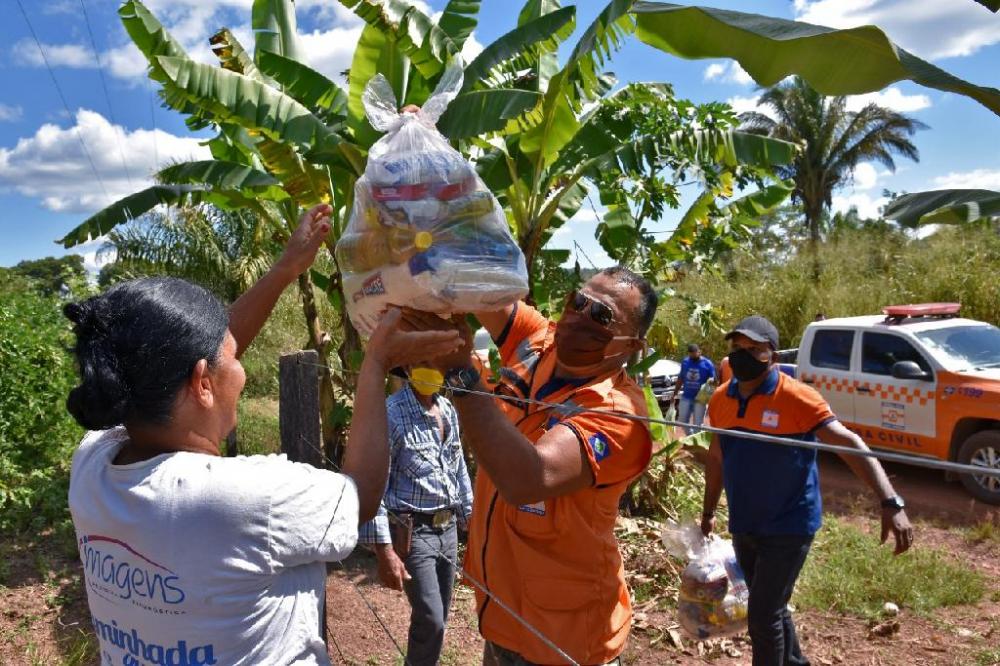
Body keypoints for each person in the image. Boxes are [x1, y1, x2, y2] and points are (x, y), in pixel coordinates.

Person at [64, 204, 463, 666]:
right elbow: (362, 496)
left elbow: (191, 358)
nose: (243, 372)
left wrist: (287, 267)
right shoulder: (251, 498)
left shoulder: (94, 461)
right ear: (202, 382)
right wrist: (374, 365)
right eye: (233, 360)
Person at [404, 266, 658, 665]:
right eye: (579, 301)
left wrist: (461, 373)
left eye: (602, 315)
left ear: (633, 344)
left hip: (565, 643)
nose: (580, 317)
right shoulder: (538, 341)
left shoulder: (618, 415)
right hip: (503, 620)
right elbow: (478, 286)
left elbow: (528, 478)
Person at [701, 315, 914, 666]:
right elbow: (717, 458)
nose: (743, 355)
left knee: (762, 616)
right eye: (737, 348)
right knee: (771, 605)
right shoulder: (722, 400)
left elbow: (850, 443)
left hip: (789, 524)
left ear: (775, 357)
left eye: (755, 349)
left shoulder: (797, 397)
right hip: (745, 521)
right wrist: (709, 511)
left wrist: (890, 501)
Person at [358, 365, 474, 666]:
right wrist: (384, 549)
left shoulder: (447, 409)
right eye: (421, 361)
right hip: (414, 531)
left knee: (439, 619)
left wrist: (470, 518)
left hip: (447, 529)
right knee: (431, 618)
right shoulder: (391, 414)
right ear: (407, 367)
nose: (431, 368)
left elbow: (457, 466)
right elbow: (375, 485)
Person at [674, 343, 716, 434]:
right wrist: (675, 393)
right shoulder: (685, 362)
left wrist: (711, 396)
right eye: (691, 354)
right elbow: (680, 378)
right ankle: (690, 436)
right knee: (682, 419)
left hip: (700, 399)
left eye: (694, 353)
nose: (692, 355)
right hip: (686, 397)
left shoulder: (708, 364)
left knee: (698, 423)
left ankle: (695, 442)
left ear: (699, 352)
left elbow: (713, 382)